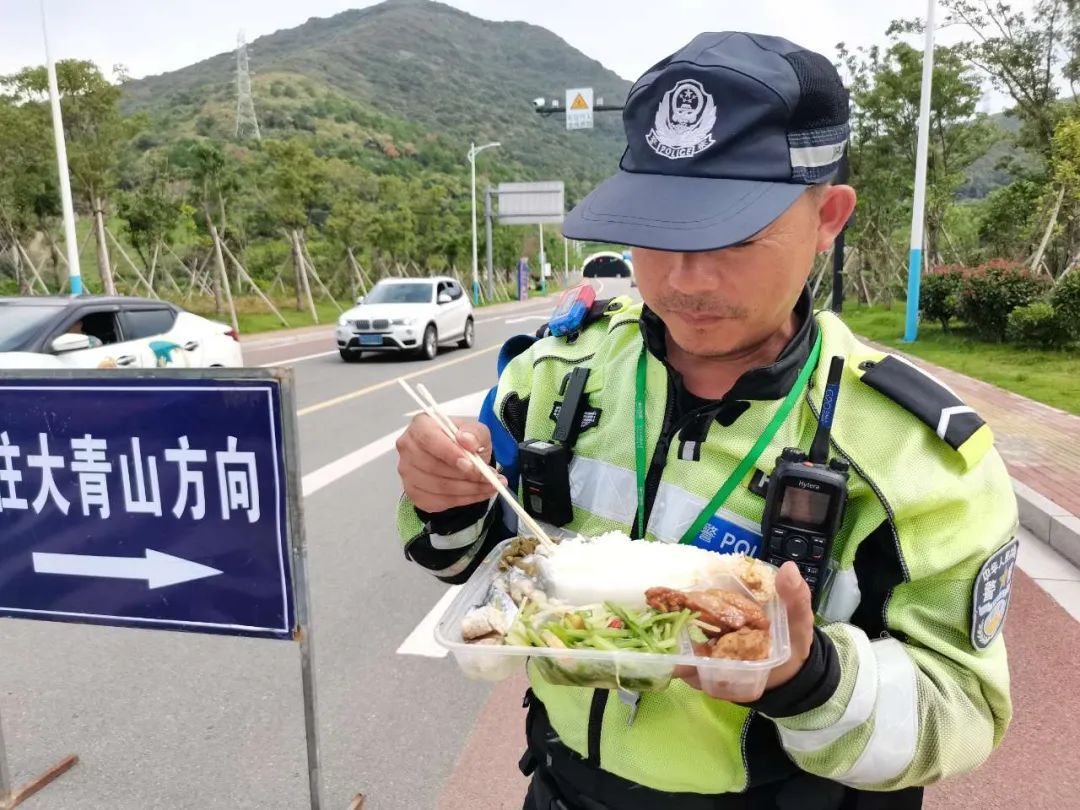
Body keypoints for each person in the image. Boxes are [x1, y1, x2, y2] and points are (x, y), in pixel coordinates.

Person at [394, 32, 1016, 810]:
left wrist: (808, 676)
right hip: (561, 791)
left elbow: (961, 710)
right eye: (657, 232)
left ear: (828, 216)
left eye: (734, 235)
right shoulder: (552, 375)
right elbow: (481, 568)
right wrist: (446, 501)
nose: (687, 278)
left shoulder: (916, 459)